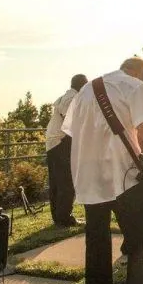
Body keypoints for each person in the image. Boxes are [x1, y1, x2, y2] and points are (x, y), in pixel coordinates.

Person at [63, 56, 143, 284]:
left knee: (96, 247)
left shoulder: (85, 91)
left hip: (88, 179)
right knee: (139, 244)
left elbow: (74, 133)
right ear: (139, 73)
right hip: (124, 177)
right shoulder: (136, 87)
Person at [45, 74, 87, 227]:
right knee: (67, 181)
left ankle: (58, 217)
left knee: (57, 182)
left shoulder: (67, 96)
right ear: (82, 86)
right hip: (61, 141)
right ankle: (64, 218)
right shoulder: (73, 98)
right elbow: (70, 118)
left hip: (53, 143)